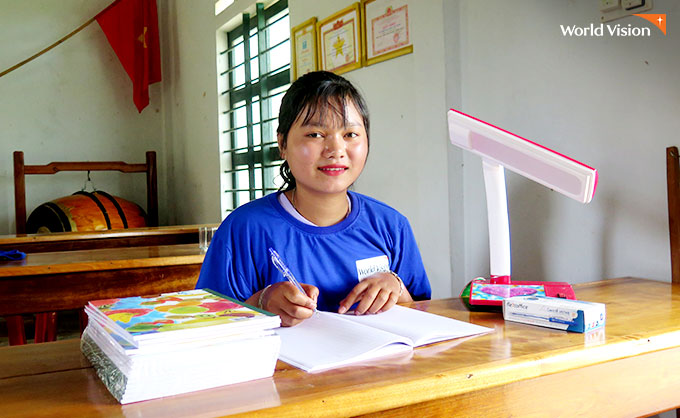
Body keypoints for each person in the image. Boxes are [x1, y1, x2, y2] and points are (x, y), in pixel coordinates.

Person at [197, 71, 430, 326]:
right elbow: (207, 325)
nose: (335, 150)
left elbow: (424, 318)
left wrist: (394, 286)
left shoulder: (391, 226)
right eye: (315, 134)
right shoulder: (243, 229)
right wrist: (260, 302)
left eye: (350, 134)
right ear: (283, 144)